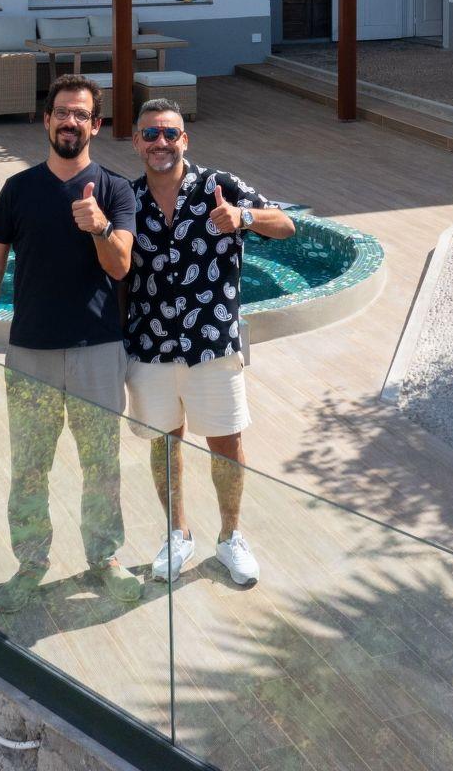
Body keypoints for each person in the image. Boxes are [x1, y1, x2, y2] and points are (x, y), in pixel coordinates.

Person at [0, 74, 142, 610]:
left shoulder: (115, 190)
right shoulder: (18, 189)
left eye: (81, 114)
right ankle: (30, 563)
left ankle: (104, 558)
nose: (70, 122)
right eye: (62, 112)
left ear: (96, 125)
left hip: (96, 352)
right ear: (46, 120)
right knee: (30, 466)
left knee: (101, 464)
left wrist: (99, 227)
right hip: (31, 353)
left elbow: (121, 266)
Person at [122, 97, 294, 589]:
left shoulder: (220, 186)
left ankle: (230, 536)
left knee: (227, 442)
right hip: (150, 345)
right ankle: (177, 534)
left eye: (169, 133)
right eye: (150, 134)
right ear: (136, 142)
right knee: (164, 443)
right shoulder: (126, 199)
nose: (160, 142)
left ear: (185, 139)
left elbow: (286, 225)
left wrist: (243, 218)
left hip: (212, 345)